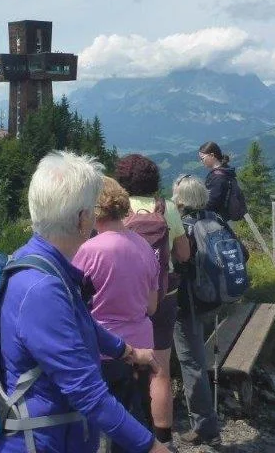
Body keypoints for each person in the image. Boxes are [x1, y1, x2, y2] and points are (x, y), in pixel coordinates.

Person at [0, 151, 169, 453]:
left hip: (51, 435)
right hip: (41, 442)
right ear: (83, 219)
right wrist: (151, 447)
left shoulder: (40, 262)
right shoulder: (42, 289)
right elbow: (88, 393)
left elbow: (81, 320)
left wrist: (126, 351)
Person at [73, 177, 159, 452]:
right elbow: (152, 307)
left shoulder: (88, 250)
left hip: (104, 349)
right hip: (143, 346)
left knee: (101, 426)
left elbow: (71, 304)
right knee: (132, 418)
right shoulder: (144, 246)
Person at [114, 154, 190, 449]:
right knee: (160, 368)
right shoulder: (167, 208)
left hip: (126, 297)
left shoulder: (117, 210)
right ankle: (163, 440)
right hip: (164, 294)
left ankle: (126, 430)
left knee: (125, 361)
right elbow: (183, 254)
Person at [171, 175, 222, 446]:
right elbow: (243, 255)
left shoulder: (183, 226)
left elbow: (176, 262)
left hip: (187, 301)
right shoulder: (215, 219)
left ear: (181, 199)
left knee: (192, 362)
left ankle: (204, 426)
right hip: (211, 299)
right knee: (196, 359)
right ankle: (203, 419)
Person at [197, 141, 239, 221]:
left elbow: (211, 204)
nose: (201, 161)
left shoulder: (218, 178)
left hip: (221, 219)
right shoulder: (226, 169)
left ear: (212, 155)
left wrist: (196, 207)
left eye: (202, 158)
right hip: (228, 216)